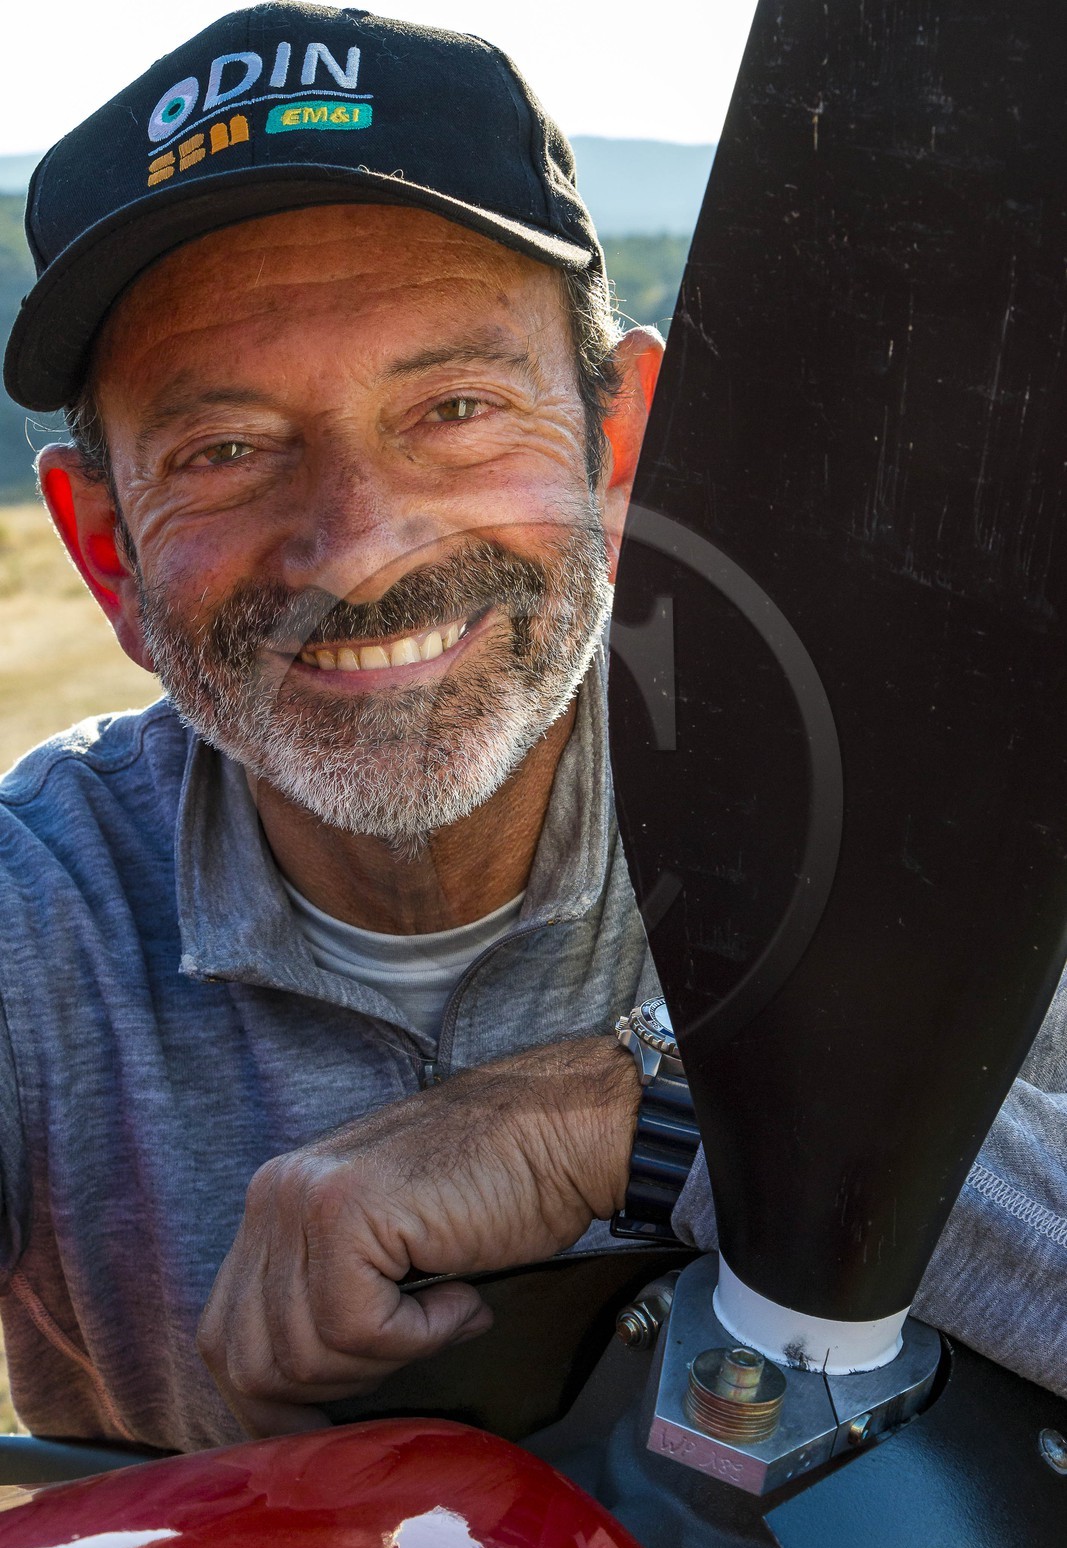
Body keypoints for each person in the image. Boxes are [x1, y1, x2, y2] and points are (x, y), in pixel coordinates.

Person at [1, 2, 1065, 1457]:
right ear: (108, 552)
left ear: (621, 449)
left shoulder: (920, 830)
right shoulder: (36, 919)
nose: (357, 547)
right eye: (227, 450)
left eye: (454, 407)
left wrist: (642, 1119)